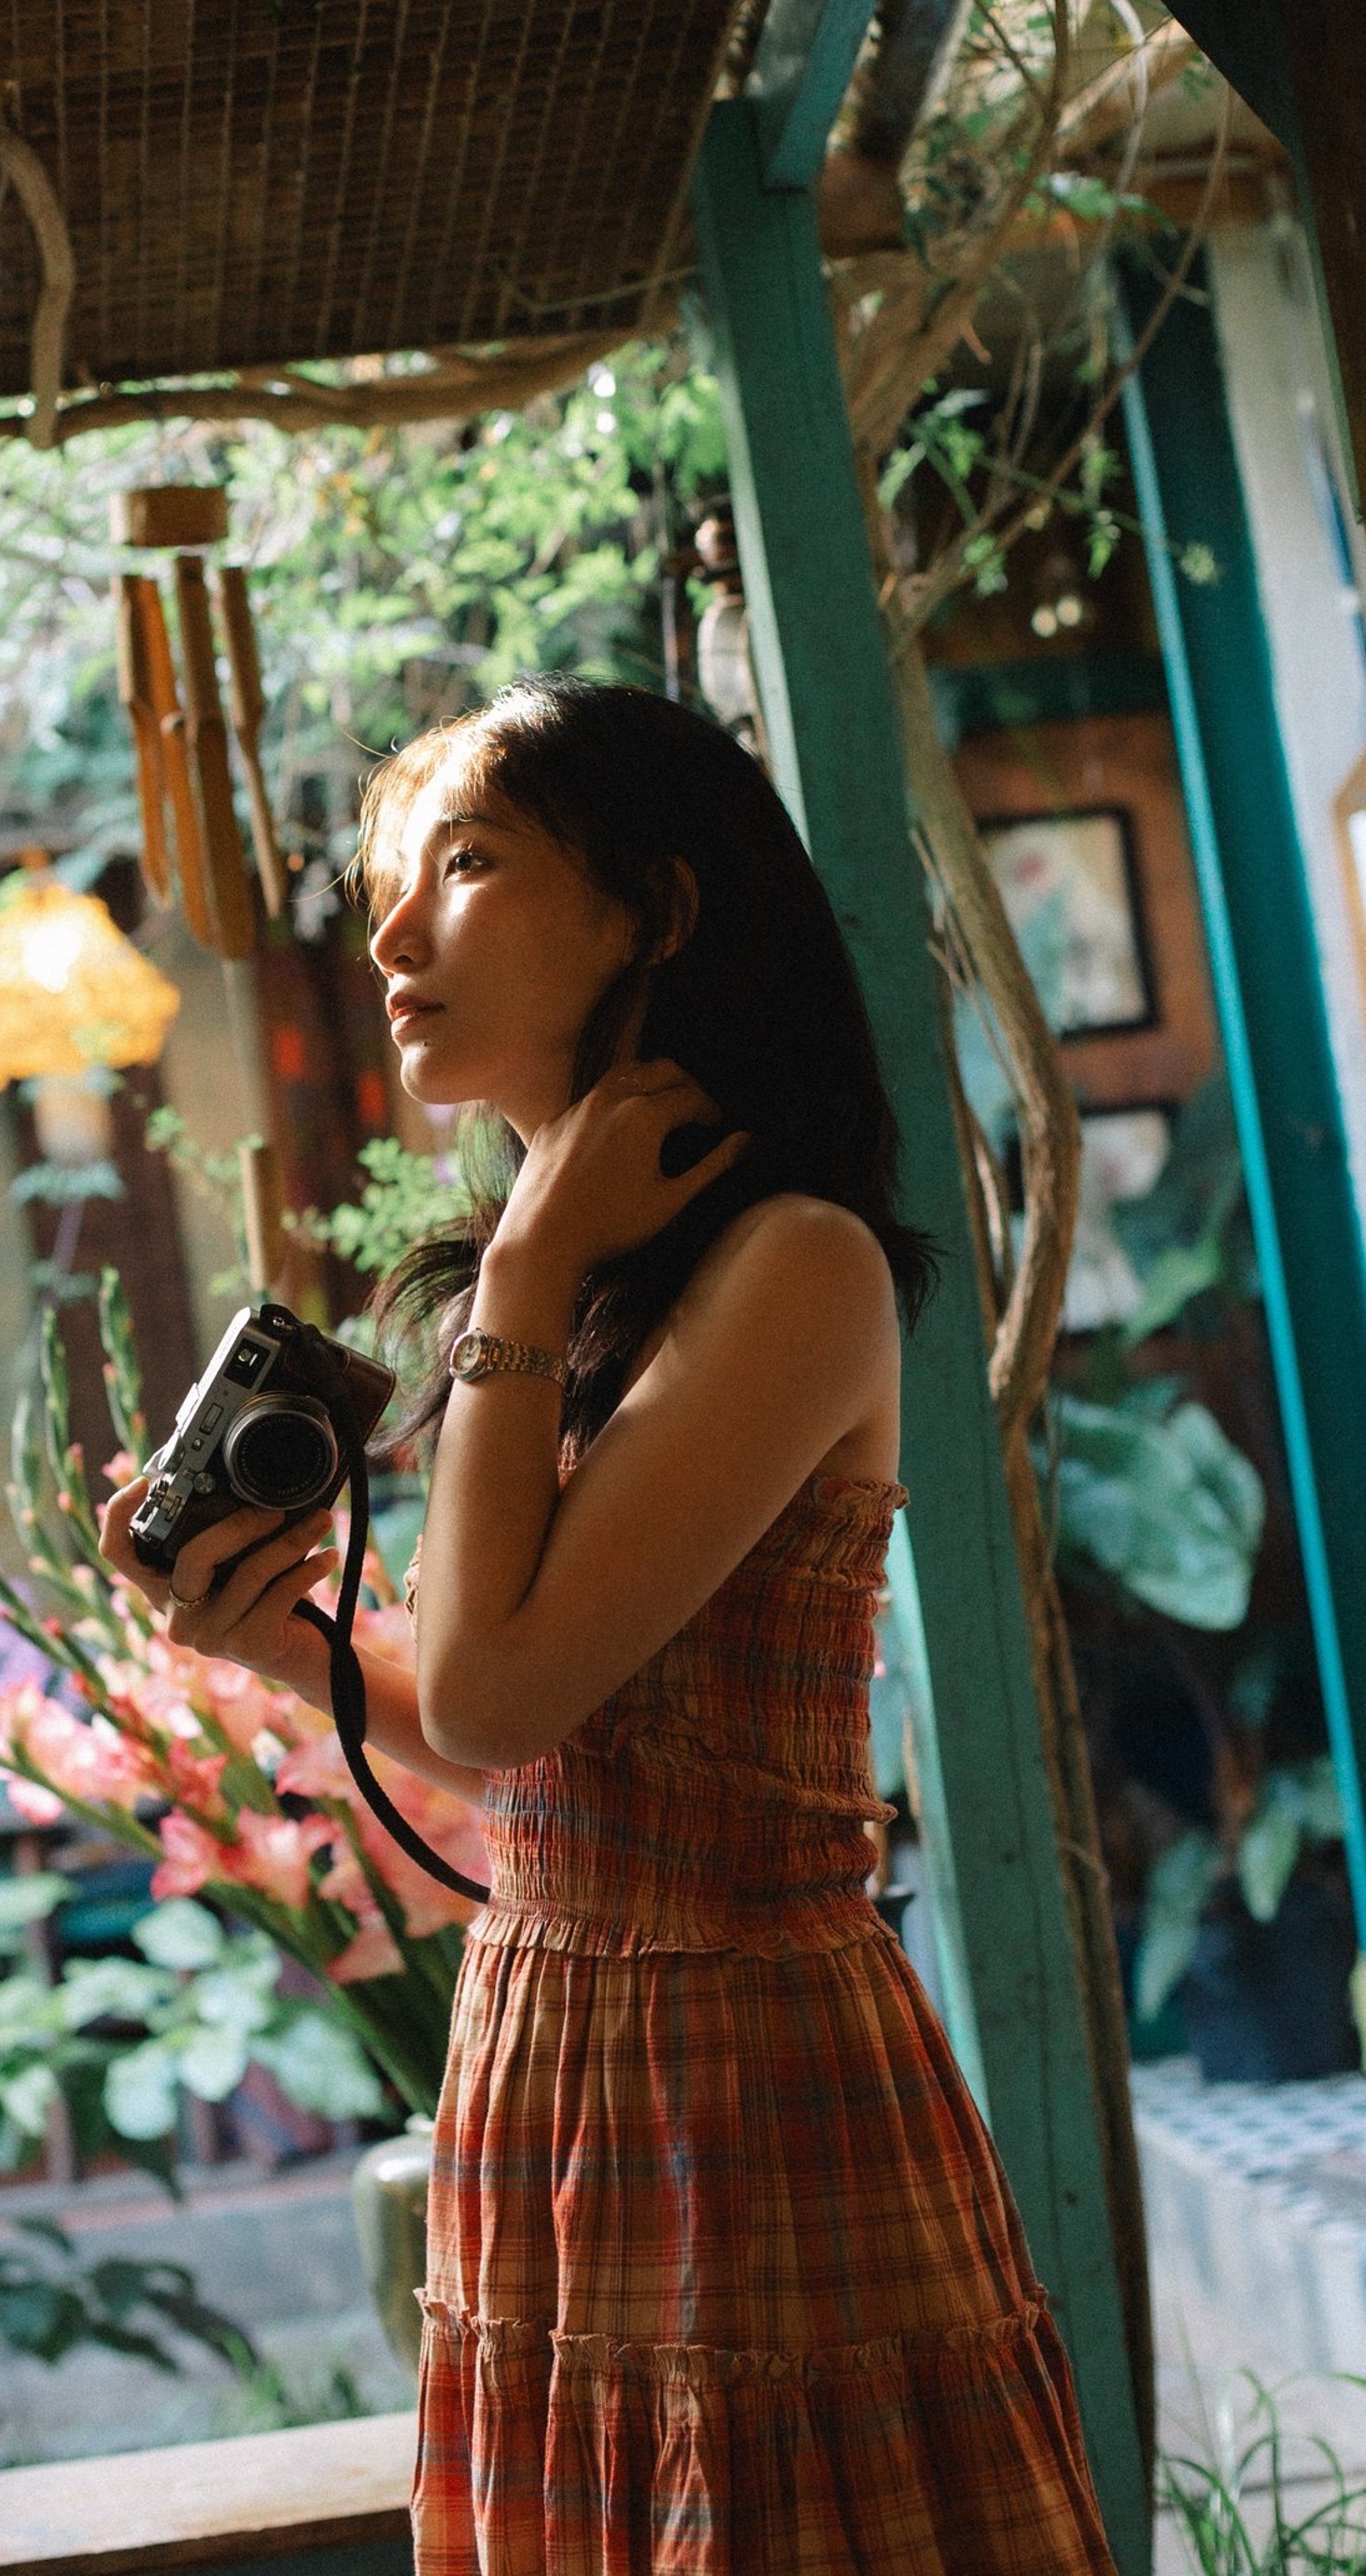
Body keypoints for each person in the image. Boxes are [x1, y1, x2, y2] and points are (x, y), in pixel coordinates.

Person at [103, 677, 1117, 2575]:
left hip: (744, 2084)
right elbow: (553, 1728)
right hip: (555, 2055)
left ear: (652, 907)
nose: (392, 936)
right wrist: (275, 1646)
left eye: (465, 866)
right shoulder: (588, 1294)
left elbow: (491, 1694)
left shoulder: (792, 1265)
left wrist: (524, 1263)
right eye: (395, 885)